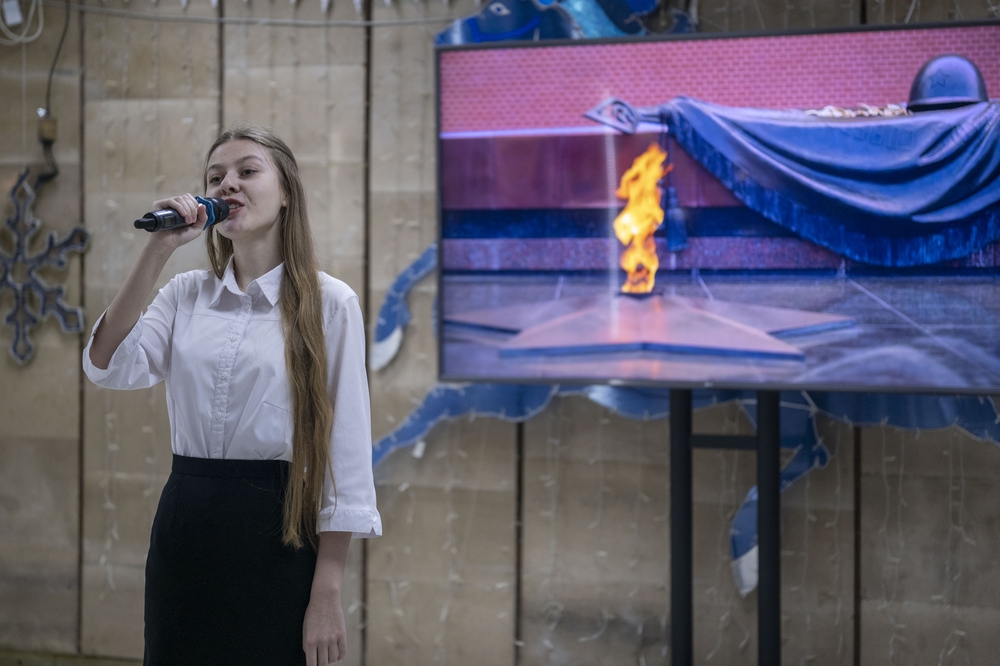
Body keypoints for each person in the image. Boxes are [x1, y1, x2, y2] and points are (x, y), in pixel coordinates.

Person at [83, 124, 381, 666]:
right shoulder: (185, 294)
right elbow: (106, 363)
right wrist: (159, 248)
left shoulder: (330, 303)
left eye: (247, 171)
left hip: (278, 532)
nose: (228, 185)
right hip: (186, 525)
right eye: (215, 176)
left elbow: (347, 455)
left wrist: (327, 590)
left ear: (286, 191)